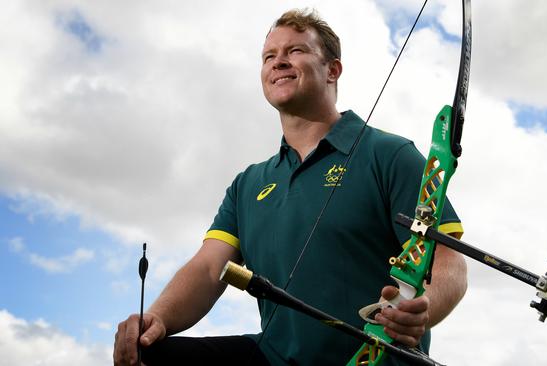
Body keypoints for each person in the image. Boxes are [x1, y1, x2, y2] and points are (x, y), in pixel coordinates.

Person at [114, 8, 467, 366]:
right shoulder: (248, 183)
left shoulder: (388, 154)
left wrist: (422, 310)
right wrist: (156, 318)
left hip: (373, 357)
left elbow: (449, 260)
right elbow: (208, 269)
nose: (278, 62)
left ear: (333, 70)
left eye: (295, 51)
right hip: (274, 357)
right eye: (269, 56)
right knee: (147, 354)